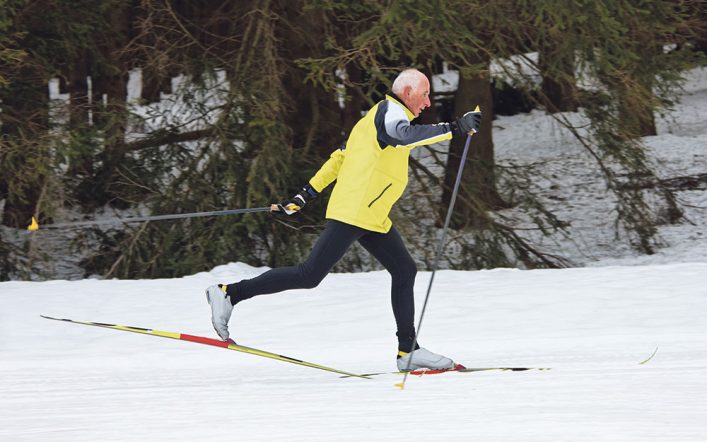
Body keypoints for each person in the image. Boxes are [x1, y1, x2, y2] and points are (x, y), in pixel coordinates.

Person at [206, 68, 481, 371]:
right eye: (425, 94)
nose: (428, 103)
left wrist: (305, 195)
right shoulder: (391, 114)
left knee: (404, 270)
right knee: (309, 275)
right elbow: (402, 137)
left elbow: (340, 157)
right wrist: (455, 127)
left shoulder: (372, 119)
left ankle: (408, 350)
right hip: (356, 210)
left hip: (371, 215)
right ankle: (229, 294)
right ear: (407, 93)